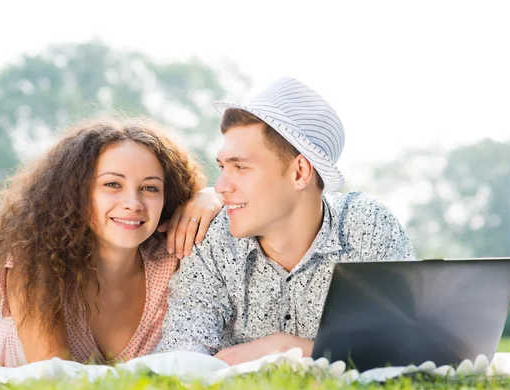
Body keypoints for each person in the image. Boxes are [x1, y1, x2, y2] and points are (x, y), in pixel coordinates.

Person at [156, 77, 416, 365]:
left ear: (300, 172)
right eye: (222, 167)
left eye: (240, 167)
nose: (220, 186)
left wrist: (287, 350)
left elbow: (408, 348)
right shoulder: (211, 238)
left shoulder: (366, 228)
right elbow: (180, 360)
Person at [0, 116, 222, 367]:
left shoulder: (175, 259)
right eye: (112, 185)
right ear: (76, 194)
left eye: (150, 188)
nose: (133, 203)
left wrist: (212, 197)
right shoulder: (35, 265)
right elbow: (58, 379)